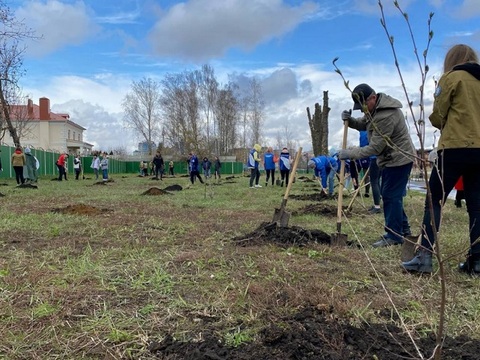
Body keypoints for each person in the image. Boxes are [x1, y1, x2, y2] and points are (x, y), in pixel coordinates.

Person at [402, 44, 480, 274]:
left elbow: (437, 116)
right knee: (476, 207)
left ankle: (424, 257)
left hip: (454, 148)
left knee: (434, 199)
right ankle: (477, 261)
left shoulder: (451, 78)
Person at [339, 83, 415, 248]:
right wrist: (350, 121)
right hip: (390, 160)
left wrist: (350, 153)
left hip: (399, 159)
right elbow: (364, 123)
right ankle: (404, 230)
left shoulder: (385, 115)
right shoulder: (374, 110)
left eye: (364, 105)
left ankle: (394, 236)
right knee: (391, 195)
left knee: (389, 195)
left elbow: (375, 148)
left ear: (372, 97)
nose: (363, 110)